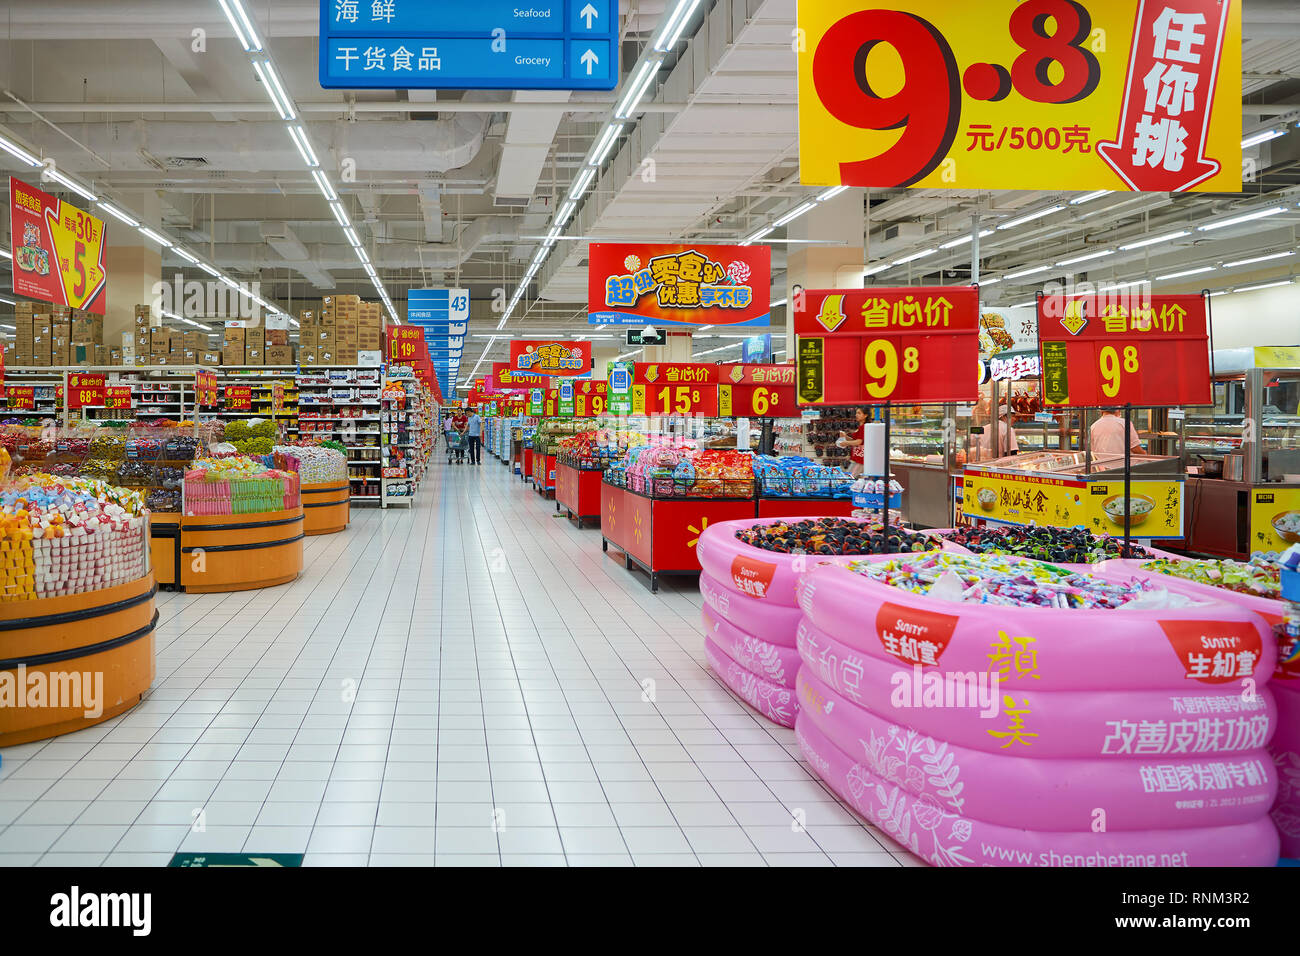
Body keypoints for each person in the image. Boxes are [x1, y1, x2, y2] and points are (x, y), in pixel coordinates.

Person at [838, 407, 870, 477]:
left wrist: (846, 443)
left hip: (861, 458)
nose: (856, 415)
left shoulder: (864, 427)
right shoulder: (860, 427)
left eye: (859, 413)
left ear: (865, 415)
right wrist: (846, 437)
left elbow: (859, 442)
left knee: (849, 478)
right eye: (856, 413)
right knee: (858, 478)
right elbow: (855, 441)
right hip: (858, 457)